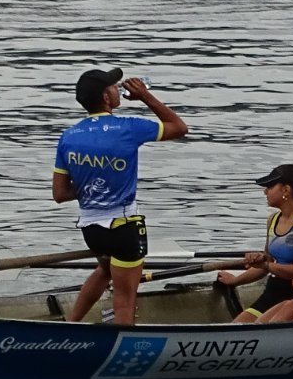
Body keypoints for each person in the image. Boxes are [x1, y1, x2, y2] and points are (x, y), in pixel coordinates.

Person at [51, 67, 189, 326]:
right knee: (125, 300)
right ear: (106, 97)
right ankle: (119, 350)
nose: (119, 90)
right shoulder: (128, 127)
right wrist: (146, 96)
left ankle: (71, 325)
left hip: (91, 228)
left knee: (104, 270)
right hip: (123, 228)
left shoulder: (68, 136)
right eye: (114, 87)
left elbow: (60, 194)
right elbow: (180, 127)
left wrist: (91, 185)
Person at [214, 164, 293, 323]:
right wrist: (236, 280)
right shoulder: (272, 220)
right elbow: (267, 262)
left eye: (269, 186)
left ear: (285, 190)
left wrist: (266, 265)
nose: (265, 191)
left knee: (256, 329)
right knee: (235, 327)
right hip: (273, 292)